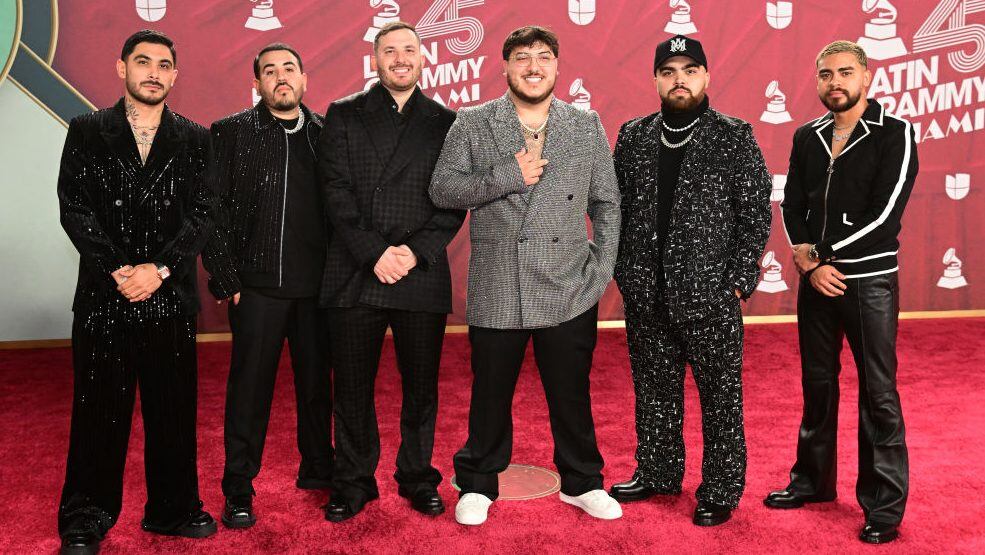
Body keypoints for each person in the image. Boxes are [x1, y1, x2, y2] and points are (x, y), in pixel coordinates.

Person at [430, 25, 622, 526]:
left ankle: (582, 482)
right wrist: (507, 178)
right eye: (521, 58)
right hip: (498, 283)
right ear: (506, 67)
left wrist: (599, 271)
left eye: (543, 57)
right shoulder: (473, 122)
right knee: (489, 393)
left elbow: (607, 203)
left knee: (571, 393)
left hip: (568, 285)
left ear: (557, 67)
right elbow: (442, 188)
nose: (533, 67)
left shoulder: (585, 125)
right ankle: (478, 483)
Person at [56, 29, 216, 554]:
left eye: (164, 64)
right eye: (142, 61)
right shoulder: (86, 130)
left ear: (174, 74)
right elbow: (73, 208)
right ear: (121, 67)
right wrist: (120, 271)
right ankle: (85, 517)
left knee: (173, 410)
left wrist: (161, 270)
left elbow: (204, 214)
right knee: (97, 410)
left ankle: (172, 510)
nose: (153, 71)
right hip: (106, 296)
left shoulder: (196, 138)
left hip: (170, 297)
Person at [607, 34, 772, 527]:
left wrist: (740, 280)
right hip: (646, 294)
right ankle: (657, 473)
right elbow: (616, 209)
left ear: (706, 75)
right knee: (654, 392)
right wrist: (625, 273)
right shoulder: (634, 135)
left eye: (689, 70)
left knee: (721, 398)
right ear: (656, 79)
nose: (680, 80)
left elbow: (755, 214)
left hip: (712, 297)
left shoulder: (734, 135)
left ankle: (720, 489)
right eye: (669, 71)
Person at [766, 40, 917, 545]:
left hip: (868, 281)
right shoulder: (807, 135)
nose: (836, 82)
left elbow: (885, 212)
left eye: (846, 72)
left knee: (879, 393)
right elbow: (791, 204)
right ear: (816, 81)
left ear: (868, 77)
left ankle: (884, 507)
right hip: (817, 282)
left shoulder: (895, 132)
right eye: (826, 73)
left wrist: (821, 258)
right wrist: (808, 263)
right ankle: (812, 481)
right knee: (818, 383)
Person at [317, 21, 464, 522]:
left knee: (420, 387)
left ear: (424, 60)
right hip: (356, 269)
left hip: (418, 271)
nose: (400, 59)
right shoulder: (343, 114)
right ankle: (354, 481)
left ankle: (417, 476)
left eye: (409, 50)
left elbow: (452, 202)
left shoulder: (447, 122)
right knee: (352, 387)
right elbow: (334, 193)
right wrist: (374, 252)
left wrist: (412, 252)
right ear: (374, 62)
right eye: (390, 52)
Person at [202, 43, 333, 529]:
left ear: (304, 79)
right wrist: (228, 278)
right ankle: (238, 487)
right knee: (249, 394)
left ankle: (319, 472)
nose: (281, 78)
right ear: (256, 82)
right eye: (270, 71)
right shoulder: (231, 133)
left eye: (289, 69)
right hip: (256, 289)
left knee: (318, 388)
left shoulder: (326, 134)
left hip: (318, 291)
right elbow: (209, 212)